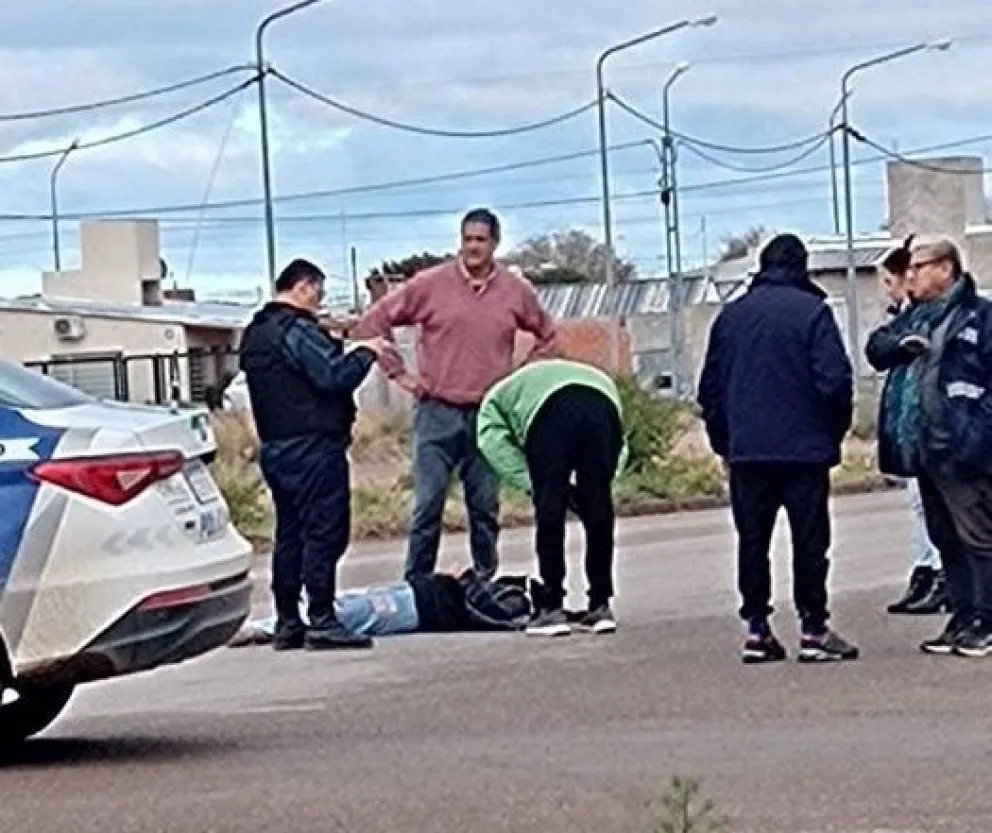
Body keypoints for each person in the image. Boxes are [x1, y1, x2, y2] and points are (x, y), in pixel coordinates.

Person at [355, 208, 557, 582]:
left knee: (484, 507)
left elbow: (548, 334)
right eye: (467, 239)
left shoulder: (515, 291)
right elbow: (374, 321)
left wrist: (521, 377)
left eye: (481, 240)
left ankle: (485, 582)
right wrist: (398, 372)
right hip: (437, 411)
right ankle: (416, 584)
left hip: (488, 414)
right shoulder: (429, 285)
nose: (473, 247)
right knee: (428, 504)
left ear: (495, 244)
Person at [697, 233, 858, 664]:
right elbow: (835, 382)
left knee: (752, 541)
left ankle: (756, 629)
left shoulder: (730, 318)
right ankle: (813, 628)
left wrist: (724, 444)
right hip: (804, 450)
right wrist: (832, 434)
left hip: (747, 450)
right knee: (809, 542)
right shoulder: (813, 312)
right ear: (801, 267)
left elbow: (710, 390)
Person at [239, 258, 391, 652]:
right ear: (303, 286)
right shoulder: (297, 331)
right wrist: (365, 353)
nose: (319, 302)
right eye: (318, 293)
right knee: (323, 532)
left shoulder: (256, 333)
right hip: (314, 447)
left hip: (275, 446)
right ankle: (322, 618)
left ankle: (289, 620)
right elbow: (333, 376)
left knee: (289, 535)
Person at [874, 236, 992, 658]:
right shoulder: (914, 319)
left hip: (964, 447)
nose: (911, 277)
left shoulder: (978, 317)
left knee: (977, 536)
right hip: (924, 448)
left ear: (946, 269)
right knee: (945, 538)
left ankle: (986, 619)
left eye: (918, 268)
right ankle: (961, 617)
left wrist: (978, 433)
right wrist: (899, 345)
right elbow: (877, 347)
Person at [476, 358, 627, 637]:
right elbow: (620, 448)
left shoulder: (494, 402)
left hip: (550, 412)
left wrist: (534, 484)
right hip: (603, 404)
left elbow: (493, 444)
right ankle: (600, 605)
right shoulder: (587, 374)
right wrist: (597, 486)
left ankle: (552, 607)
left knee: (550, 511)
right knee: (599, 512)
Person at [866, 235, 947, 615]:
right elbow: (879, 348)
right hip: (909, 429)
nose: (888, 291)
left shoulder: (931, 319)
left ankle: (940, 572)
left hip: (932, 428)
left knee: (934, 505)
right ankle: (927, 568)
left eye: (889, 281)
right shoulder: (901, 323)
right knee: (919, 504)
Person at [228, 569, 534, 646]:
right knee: (351, 608)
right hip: (424, 599)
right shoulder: (468, 602)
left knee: (350, 609)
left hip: (425, 600)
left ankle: (264, 628)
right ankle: (266, 627)